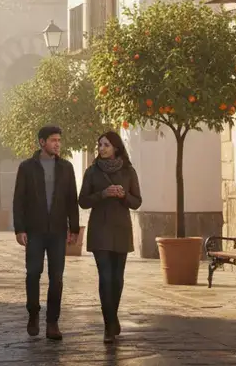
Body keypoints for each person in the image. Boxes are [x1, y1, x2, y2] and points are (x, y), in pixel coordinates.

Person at [12, 126, 80, 341]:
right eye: (53, 140)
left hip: (58, 231)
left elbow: (72, 200)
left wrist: (75, 229)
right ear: (42, 142)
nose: (57, 144)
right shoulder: (26, 168)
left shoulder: (67, 168)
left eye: (59, 140)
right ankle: (33, 313)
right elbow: (19, 200)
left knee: (56, 278)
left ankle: (53, 322)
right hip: (34, 231)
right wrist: (20, 229)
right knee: (33, 274)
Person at [78, 130, 143, 343]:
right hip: (100, 230)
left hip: (121, 229)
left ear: (115, 147)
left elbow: (137, 201)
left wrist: (124, 195)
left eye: (106, 145)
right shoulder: (92, 172)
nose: (101, 148)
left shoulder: (128, 171)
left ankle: (112, 317)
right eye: (100, 145)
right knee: (105, 277)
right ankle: (109, 325)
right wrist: (103, 194)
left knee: (117, 278)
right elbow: (83, 201)